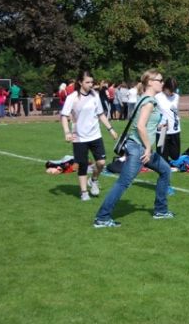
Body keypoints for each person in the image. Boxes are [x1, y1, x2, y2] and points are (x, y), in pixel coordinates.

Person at [94, 69, 174, 227]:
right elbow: (140, 126)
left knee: (165, 170)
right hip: (140, 149)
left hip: (140, 147)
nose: (162, 83)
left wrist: (158, 126)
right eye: (160, 80)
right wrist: (147, 148)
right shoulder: (149, 102)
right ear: (150, 82)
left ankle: (161, 210)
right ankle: (102, 218)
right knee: (123, 183)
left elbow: (144, 123)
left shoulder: (145, 98)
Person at [60, 70, 118, 201]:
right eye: (87, 82)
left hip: (95, 135)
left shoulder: (95, 95)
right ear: (80, 82)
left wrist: (110, 129)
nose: (91, 85)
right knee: (82, 165)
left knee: (101, 162)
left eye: (92, 82)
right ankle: (84, 192)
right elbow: (64, 116)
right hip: (79, 137)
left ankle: (94, 180)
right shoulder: (72, 97)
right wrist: (67, 132)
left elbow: (100, 114)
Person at [156, 77, 181, 162]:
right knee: (162, 157)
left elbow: (175, 111)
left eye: (174, 90)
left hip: (175, 129)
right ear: (165, 87)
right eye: (170, 90)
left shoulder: (176, 97)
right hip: (162, 130)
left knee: (175, 156)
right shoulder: (157, 97)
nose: (172, 92)